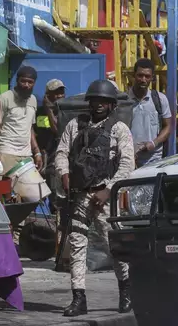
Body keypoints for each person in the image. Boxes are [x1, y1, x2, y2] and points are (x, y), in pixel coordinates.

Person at [55, 79, 135, 317]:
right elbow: (61, 152)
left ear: (111, 105)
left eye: (104, 101)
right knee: (78, 247)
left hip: (106, 199)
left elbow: (127, 164)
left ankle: (126, 293)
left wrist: (108, 190)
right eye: (95, 100)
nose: (99, 105)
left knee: (116, 248)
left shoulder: (119, 129)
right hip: (80, 196)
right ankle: (79, 298)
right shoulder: (75, 125)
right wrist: (64, 173)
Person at [0, 65, 43, 174]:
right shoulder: (5, 98)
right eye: (23, 81)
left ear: (34, 83)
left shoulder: (33, 100)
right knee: (6, 189)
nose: (26, 85)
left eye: (30, 82)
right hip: (6, 153)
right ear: (17, 80)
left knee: (32, 189)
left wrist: (37, 152)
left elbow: (30, 128)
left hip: (27, 155)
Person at [128, 58, 171, 167]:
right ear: (134, 75)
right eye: (140, 75)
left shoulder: (160, 99)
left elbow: (168, 127)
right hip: (130, 159)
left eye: (147, 76)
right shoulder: (124, 101)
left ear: (152, 78)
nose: (143, 79)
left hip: (154, 159)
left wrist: (153, 143)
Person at [35, 79, 66, 211]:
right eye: (56, 93)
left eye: (61, 92)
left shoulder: (64, 112)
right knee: (35, 197)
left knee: (55, 198)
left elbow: (57, 130)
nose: (59, 96)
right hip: (41, 159)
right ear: (47, 94)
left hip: (55, 160)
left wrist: (49, 110)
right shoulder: (39, 111)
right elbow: (34, 133)